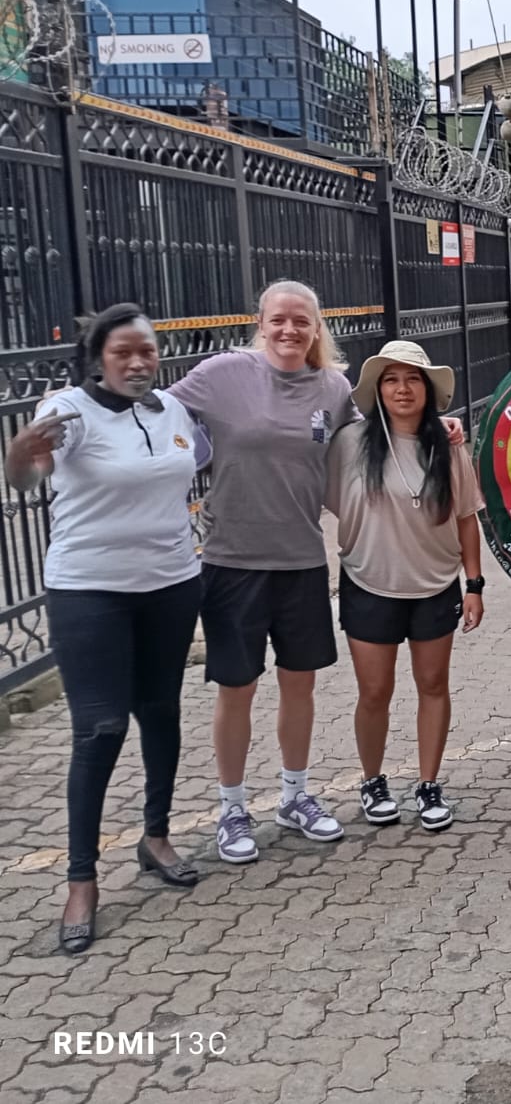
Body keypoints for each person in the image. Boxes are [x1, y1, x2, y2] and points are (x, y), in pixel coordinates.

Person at [167, 280, 465, 865]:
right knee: (237, 689)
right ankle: (232, 807)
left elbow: (381, 429)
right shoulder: (223, 373)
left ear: (316, 328)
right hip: (232, 561)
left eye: (301, 322)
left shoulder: (331, 388)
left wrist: (445, 427)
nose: (289, 331)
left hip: (303, 560)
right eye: (278, 320)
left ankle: (294, 796)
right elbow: (159, 414)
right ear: (261, 321)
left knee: (298, 685)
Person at [4, 305, 205, 954]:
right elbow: (26, 474)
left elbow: (196, 469)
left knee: (161, 712)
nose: (138, 361)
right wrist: (18, 456)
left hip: (171, 586)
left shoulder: (170, 411)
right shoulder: (68, 411)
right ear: (98, 357)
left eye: (147, 349)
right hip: (90, 592)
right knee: (100, 726)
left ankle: (155, 837)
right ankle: (82, 880)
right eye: (123, 352)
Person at [324, 342, 484, 832]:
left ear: (428, 390)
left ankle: (429, 784)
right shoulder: (351, 442)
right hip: (370, 583)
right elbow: (322, 498)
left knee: (433, 685)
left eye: (413, 379)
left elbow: (466, 518)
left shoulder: (449, 445)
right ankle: (372, 781)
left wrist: (474, 584)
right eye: (391, 379)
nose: (402, 388)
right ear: (377, 390)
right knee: (375, 691)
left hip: (435, 585)